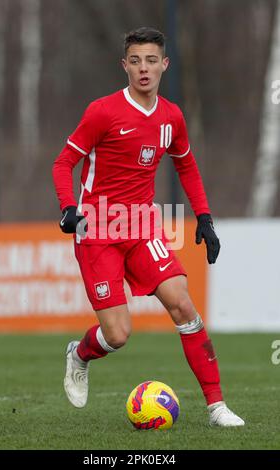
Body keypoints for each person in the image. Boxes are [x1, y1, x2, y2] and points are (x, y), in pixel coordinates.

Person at [52, 27, 244, 427]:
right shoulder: (102, 111)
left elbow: (186, 164)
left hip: (142, 228)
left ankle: (217, 407)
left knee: (183, 305)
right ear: (124, 65)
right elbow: (62, 163)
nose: (144, 68)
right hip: (98, 232)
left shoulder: (171, 116)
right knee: (118, 335)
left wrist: (204, 217)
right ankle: (80, 354)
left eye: (152, 60)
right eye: (136, 60)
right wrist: (69, 207)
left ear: (164, 65)